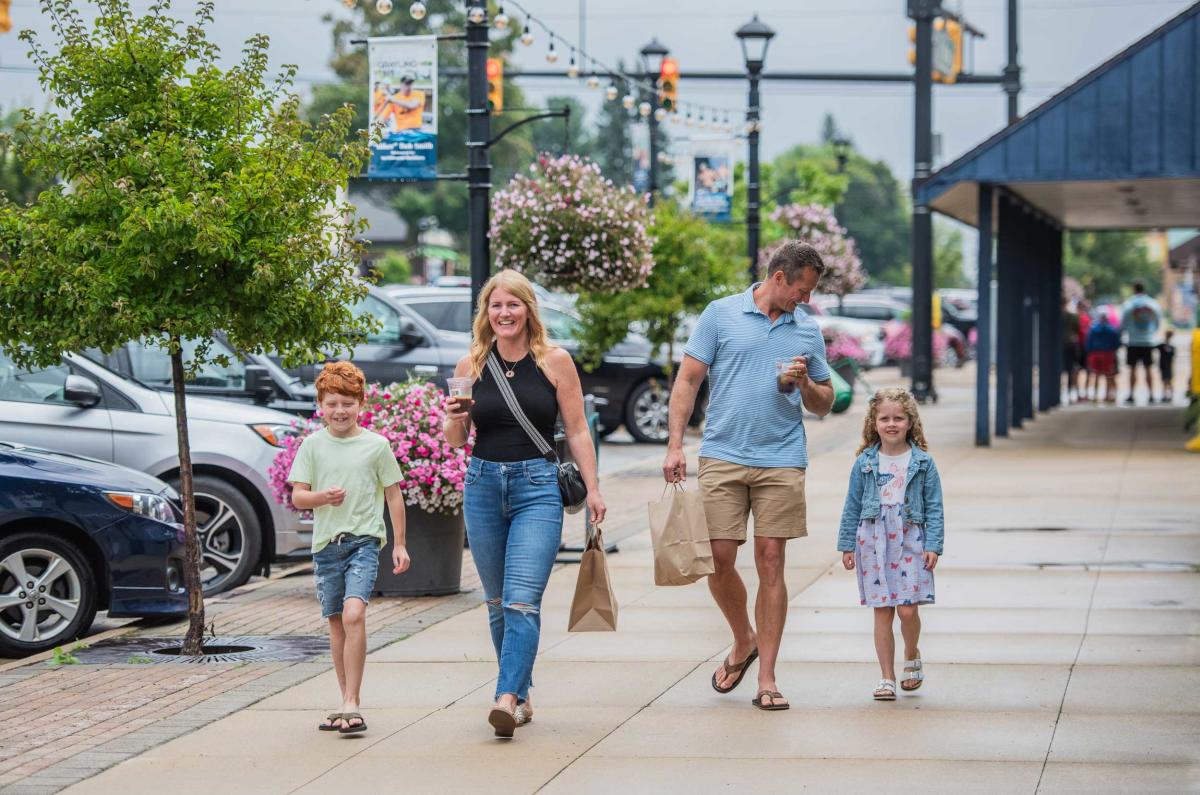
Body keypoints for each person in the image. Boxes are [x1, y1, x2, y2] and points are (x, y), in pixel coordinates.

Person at [662, 240, 835, 712]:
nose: (805, 299)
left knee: (772, 561)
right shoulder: (720, 314)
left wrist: (804, 384)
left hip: (782, 458)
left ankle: (767, 678)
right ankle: (744, 639)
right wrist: (676, 443)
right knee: (718, 560)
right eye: (802, 289)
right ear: (779, 277)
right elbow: (688, 381)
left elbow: (826, 402)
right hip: (722, 453)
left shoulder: (807, 330)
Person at [442, 269, 606, 739]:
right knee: (496, 603)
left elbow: (576, 429)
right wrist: (453, 417)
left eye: (513, 304)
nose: (504, 313)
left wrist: (594, 489)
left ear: (528, 310)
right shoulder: (469, 365)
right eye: (496, 305)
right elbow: (456, 440)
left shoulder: (555, 361)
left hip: (537, 487)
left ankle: (505, 698)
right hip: (483, 484)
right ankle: (521, 692)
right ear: (485, 313)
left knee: (521, 601)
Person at [288, 361, 410, 735]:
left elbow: (393, 494)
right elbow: (298, 497)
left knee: (355, 614)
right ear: (320, 406)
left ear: (361, 403)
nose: (340, 411)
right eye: (332, 403)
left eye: (347, 403)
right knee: (337, 623)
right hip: (327, 547)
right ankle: (346, 703)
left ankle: (352, 701)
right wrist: (322, 497)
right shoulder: (312, 445)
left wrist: (399, 544)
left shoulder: (376, 446)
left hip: (364, 543)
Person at [837, 389, 943, 701]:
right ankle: (887, 677)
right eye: (885, 418)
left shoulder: (923, 463)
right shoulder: (865, 463)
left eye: (899, 418)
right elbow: (852, 505)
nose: (892, 424)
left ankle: (912, 653)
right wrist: (846, 545)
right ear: (874, 423)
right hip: (872, 541)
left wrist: (933, 544)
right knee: (882, 610)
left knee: (908, 611)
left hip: (910, 538)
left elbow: (935, 507)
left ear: (911, 422)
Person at [1121, 282, 1163, 405]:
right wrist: (1150, 333)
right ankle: (1151, 395)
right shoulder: (1153, 304)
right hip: (1148, 341)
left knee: (1132, 369)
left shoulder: (1129, 304)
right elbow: (1158, 322)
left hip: (1133, 341)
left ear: (1134, 289)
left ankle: (1131, 395)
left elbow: (1123, 323)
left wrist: (1128, 333)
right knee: (1149, 368)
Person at [1086, 309, 1121, 404]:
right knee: (1109, 375)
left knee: (1096, 375)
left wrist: (1089, 353)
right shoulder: (1112, 330)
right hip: (1108, 354)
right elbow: (1117, 343)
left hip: (1096, 354)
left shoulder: (1093, 329)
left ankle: (1095, 396)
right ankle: (1109, 396)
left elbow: (1089, 343)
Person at [1062, 297, 1081, 403]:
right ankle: (1069, 393)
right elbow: (1077, 329)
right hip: (1070, 344)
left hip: (1059, 346)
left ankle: (1058, 393)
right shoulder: (1072, 316)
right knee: (1070, 369)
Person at [1076, 299, 1093, 400]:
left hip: (1081, 347)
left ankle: (1080, 393)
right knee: (1085, 371)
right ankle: (1083, 393)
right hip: (1083, 348)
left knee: (1077, 371)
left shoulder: (1084, 318)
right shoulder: (1086, 319)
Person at [1159, 329, 1176, 403]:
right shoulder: (1164, 346)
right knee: (1166, 382)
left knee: (1167, 382)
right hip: (1165, 366)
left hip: (1167, 366)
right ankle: (1166, 395)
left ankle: (1167, 395)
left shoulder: (1169, 347)